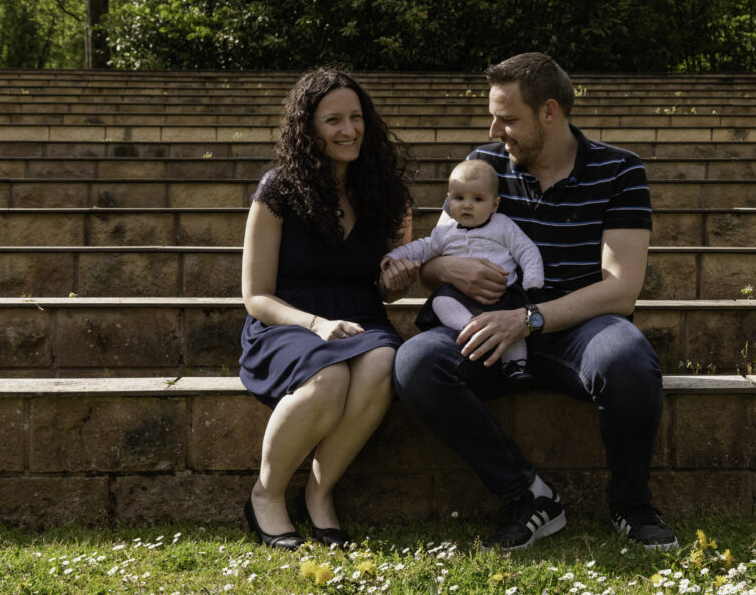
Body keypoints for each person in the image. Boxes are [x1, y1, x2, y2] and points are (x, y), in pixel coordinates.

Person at [392, 52, 677, 551]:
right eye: (493, 116)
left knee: (626, 357)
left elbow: (621, 286)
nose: (496, 128)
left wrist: (528, 319)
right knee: (416, 360)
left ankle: (631, 503)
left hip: (581, 330)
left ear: (550, 111)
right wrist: (444, 269)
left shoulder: (620, 170)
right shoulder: (483, 166)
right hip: (489, 324)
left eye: (508, 118)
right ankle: (528, 497)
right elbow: (434, 257)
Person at [239, 67, 419, 550]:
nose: (348, 130)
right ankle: (267, 494)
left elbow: (388, 285)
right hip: (287, 321)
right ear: (308, 129)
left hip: (362, 318)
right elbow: (255, 295)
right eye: (333, 120)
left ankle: (319, 494)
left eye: (356, 117)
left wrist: (396, 284)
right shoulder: (278, 189)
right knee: (331, 377)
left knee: (383, 362)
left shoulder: (387, 193)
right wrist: (316, 325)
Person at [383, 159, 544, 384]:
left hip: (502, 293)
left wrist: (533, 282)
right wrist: (395, 256)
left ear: (494, 205)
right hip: (461, 298)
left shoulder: (503, 225)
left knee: (513, 322)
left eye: (477, 199)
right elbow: (421, 247)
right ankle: (471, 328)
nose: (467, 205)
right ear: (449, 200)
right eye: (459, 198)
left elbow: (527, 251)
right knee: (440, 301)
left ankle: (515, 366)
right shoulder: (444, 233)